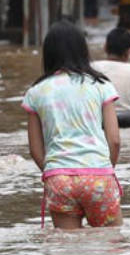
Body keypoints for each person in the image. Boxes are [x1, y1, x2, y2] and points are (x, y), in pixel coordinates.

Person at [22, 21, 122, 229]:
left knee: (67, 254)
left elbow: (35, 149)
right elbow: (114, 140)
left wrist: (54, 171)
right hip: (98, 175)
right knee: (110, 249)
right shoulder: (100, 85)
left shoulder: (36, 92)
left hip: (59, 178)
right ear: (83, 50)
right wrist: (104, 169)